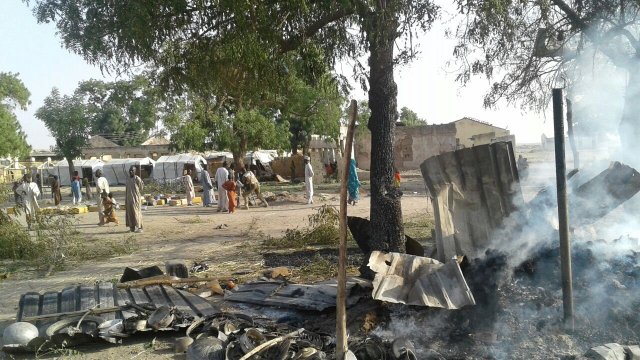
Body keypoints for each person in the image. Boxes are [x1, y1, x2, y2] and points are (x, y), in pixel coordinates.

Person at [125, 166, 144, 233]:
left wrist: (136, 195)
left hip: (135, 199)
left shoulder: (137, 179)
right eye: (130, 170)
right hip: (128, 199)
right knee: (130, 213)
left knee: (136, 213)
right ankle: (132, 228)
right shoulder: (127, 179)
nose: (131, 172)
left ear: (135, 171)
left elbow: (141, 188)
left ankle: (139, 227)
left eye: (132, 170)